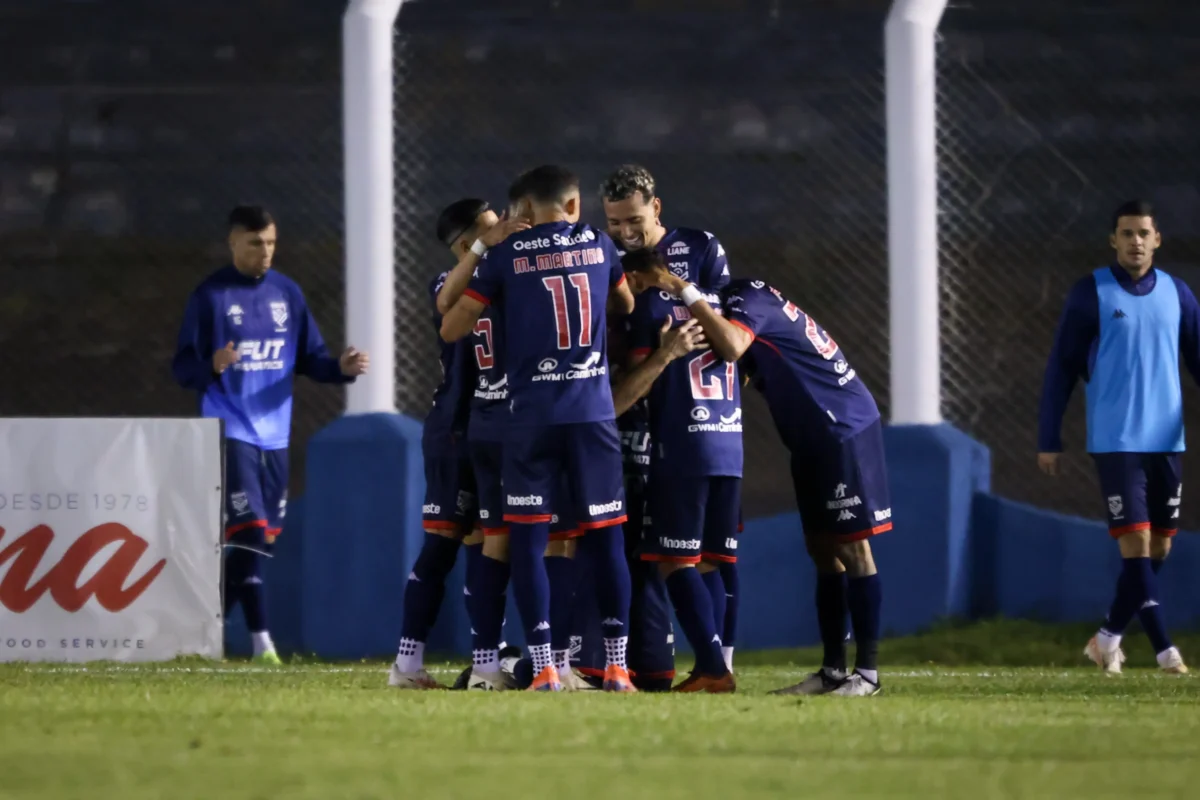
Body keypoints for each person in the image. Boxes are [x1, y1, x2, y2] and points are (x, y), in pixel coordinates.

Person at [621, 258, 890, 697]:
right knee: (822, 549)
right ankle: (833, 672)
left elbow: (730, 346)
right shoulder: (729, 306)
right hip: (808, 435)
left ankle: (869, 674)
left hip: (840, 425)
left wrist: (678, 285)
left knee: (852, 546)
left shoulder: (752, 296)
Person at [440, 164, 637, 692]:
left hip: (528, 419)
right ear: (573, 205)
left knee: (526, 540)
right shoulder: (599, 243)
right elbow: (626, 304)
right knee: (605, 538)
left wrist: (490, 261)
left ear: (521, 212)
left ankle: (544, 664)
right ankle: (618, 666)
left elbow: (452, 324)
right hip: (592, 415)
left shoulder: (506, 254)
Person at [172, 205, 368, 665]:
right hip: (230, 426)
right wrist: (211, 366)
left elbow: (311, 358)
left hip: (275, 435)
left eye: (271, 242)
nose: (265, 251)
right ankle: (233, 632)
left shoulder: (287, 294)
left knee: (262, 539)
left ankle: (232, 633)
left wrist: (339, 369)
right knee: (251, 529)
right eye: (255, 243)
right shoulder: (211, 296)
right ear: (233, 243)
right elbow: (182, 367)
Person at [1038, 199, 1192, 675]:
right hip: (1116, 439)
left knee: (1160, 547)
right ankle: (1167, 653)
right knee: (1136, 544)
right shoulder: (1091, 293)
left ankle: (1107, 637)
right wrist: (1049, 435)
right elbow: (1061, 368)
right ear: (1113, 240)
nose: (1135, 242)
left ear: (1157, 239)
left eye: (1143, 233)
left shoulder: (1179, 294)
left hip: (1167, 441)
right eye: (1126, 234)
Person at [600, 163, 740, 671]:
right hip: (631, 417)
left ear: (656, 208)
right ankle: (643, 662)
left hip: (698, 421)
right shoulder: (603, 255)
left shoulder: (699, 248)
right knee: (645, 546)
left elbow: (726, 330)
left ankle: (717, 661)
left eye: (633, 219)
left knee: (710, 551)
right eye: (614, 222)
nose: (624, 232)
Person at [619, 247, 740, 692]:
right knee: (712, 561)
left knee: (673, 559)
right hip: (730, 444)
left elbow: (629, 390)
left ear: (635, 277)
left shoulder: (649, 306)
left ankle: (712, 670)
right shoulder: (715, 305)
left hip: (683, 446)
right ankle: (718, 662)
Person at [387, 199, 495, 688]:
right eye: (493, 229)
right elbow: (447, 305)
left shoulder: (511, 274)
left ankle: (485, 664)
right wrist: (481, 250)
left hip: (498, 428)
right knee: (443, 544)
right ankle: (407, 664)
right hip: (456, 430)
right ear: (465, 243)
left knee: (487, 545)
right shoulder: (447, 284)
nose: (507, 233)